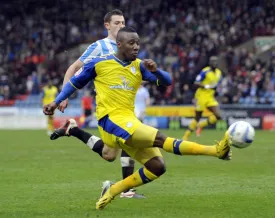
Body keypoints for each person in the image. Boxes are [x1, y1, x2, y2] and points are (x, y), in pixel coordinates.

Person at [43, 27, 232, 210]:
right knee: (160, 139)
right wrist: (56, 101)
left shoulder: (140, 66)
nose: (136, 47)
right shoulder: (99, 63)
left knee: (157, 167)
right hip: (110, 120)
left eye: (138, 43)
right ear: (119, 44)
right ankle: (216, 151)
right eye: (131, 43)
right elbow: (74, 83)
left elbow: (167, 82)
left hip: (128, 121)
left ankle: (114, 189)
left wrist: (156, 71)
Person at [55, 9, 143, 198]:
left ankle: (74, 130)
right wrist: (63, 95)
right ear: (107, 25)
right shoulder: (99, 47)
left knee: (109, 155)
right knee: (130, 139)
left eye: (123, 22)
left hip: (124, 104)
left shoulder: (127, 46)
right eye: (117, 23)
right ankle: (126, 190)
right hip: (108, 106)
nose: (121, 25)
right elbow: (74, 67)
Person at [183, 56, 223, 140]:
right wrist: (206, 86)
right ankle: (186, 136)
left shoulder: (219, 72)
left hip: (210, 97)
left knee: (218, 116)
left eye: (215, 62)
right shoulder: (205, 71)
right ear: (210, 63)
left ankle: (200, 126)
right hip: (201, 96)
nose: (214, 63)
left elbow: (216, 85)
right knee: (197, 117)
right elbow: (196, 83)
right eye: (212, 62)